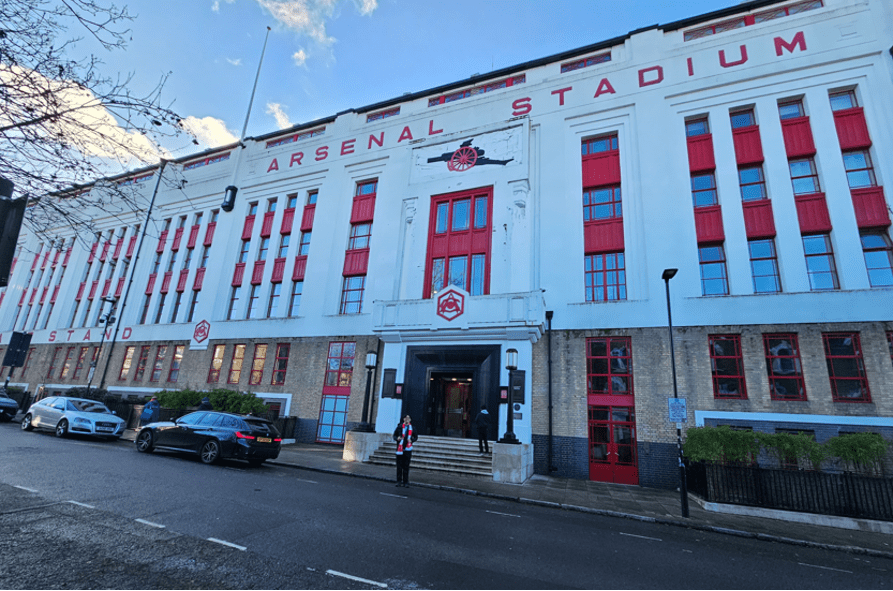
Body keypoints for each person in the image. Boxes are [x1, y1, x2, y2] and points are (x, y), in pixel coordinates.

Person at [393, 415, 417, 487]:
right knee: (399, 466)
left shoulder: (412, 428)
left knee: (406, 466)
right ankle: (399, 481)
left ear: (410, 420)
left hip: (407, 449)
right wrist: (397, 438)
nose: (407, 420)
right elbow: (394, 435)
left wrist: (412, 440)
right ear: (403, 419)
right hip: (400, 449)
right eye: (405, 418)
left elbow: (416, 437)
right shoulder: (399, 427)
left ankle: (405, 482)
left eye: (408, 418)